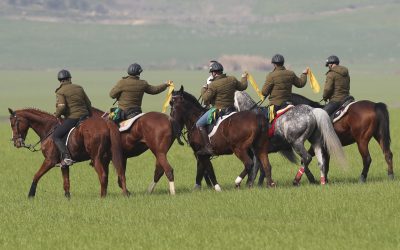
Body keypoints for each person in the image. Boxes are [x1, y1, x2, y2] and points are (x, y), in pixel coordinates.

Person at [196, 61, 248, 155]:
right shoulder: (232, 79)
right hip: (232, 109)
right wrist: (244, 77)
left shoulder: (213, 85)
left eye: (212, 73)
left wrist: (204, 88)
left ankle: (208, 148)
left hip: (218, 110)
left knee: (199, 124)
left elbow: (205, 98)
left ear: (214, 73)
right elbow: (243, 86)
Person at [53, 69, 92, 167]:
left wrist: (56, 115)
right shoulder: (79, 87)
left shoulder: (60, 91)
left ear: (60, 80)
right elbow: (88, 103)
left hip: (73, 118)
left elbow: (61, 106)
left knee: (56, 135)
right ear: (69, 78)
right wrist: (90, 116)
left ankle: (67, 158)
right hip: (85, 116)